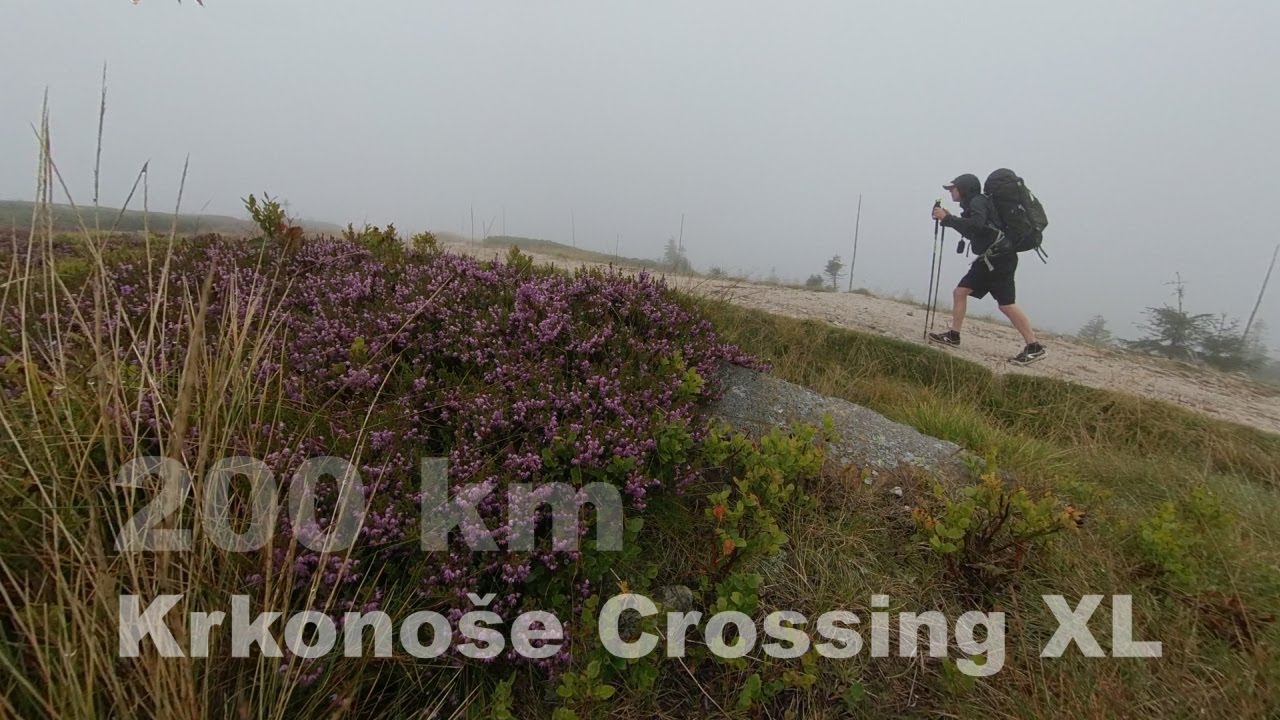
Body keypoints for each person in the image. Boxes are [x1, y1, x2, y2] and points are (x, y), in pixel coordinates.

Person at [928, 173, 1047, 365]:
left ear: (964, 188)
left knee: (1006, 304)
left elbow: (976, 227)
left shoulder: (978, 202)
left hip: (999, 260)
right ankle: (953, 335)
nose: (950, 191)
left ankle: (1034, 347)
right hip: (990, 259)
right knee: (960, 292)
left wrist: (948, 218)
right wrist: (949, 218)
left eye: (953, 188)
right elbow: (976, 230)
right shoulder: (975, 203)